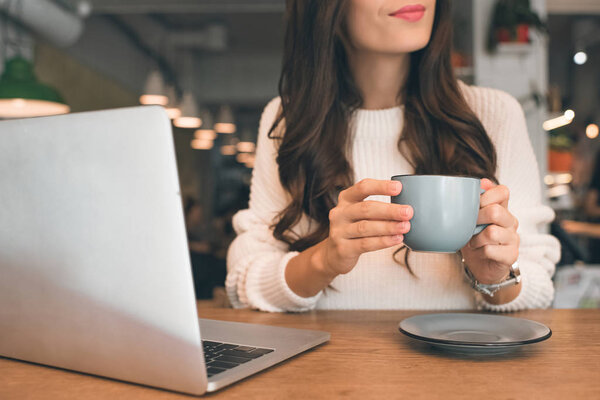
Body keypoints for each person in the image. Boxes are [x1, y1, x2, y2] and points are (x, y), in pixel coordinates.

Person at [226, 0, 560, 312]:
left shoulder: (494, 114)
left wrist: (494, 276)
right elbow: (245, 280)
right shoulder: (290, 120)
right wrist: (325, 260)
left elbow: (539, 286)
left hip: (462, 368)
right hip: (328, 368)